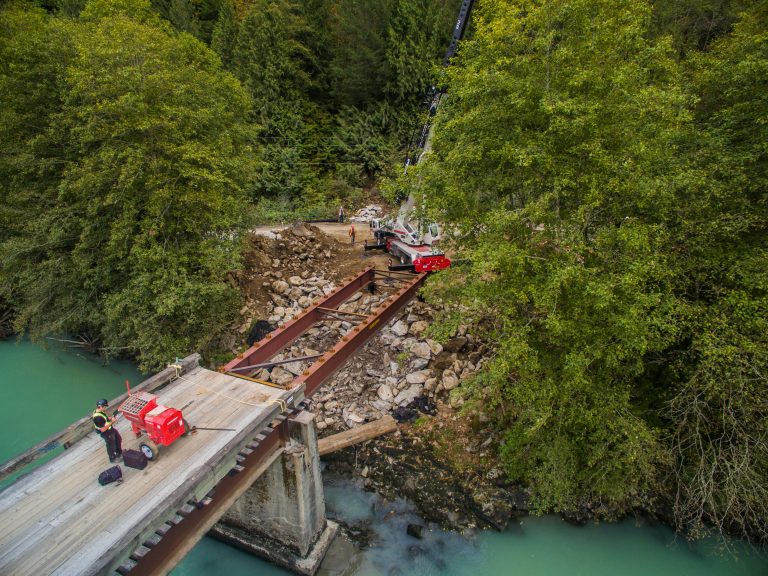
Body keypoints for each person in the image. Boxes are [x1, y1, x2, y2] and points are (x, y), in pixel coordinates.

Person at [93, 398, 122, 463]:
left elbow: (105, 418)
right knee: (111, 445)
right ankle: (112, 458)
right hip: (106, 433)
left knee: (118, 439)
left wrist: (110, 418)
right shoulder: (98, 418)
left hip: (110, 429)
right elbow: (102, 429)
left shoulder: (99, 411)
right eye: (105, 406)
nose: (105, 408)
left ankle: (119, 453)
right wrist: (112, 422)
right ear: (101, 406)